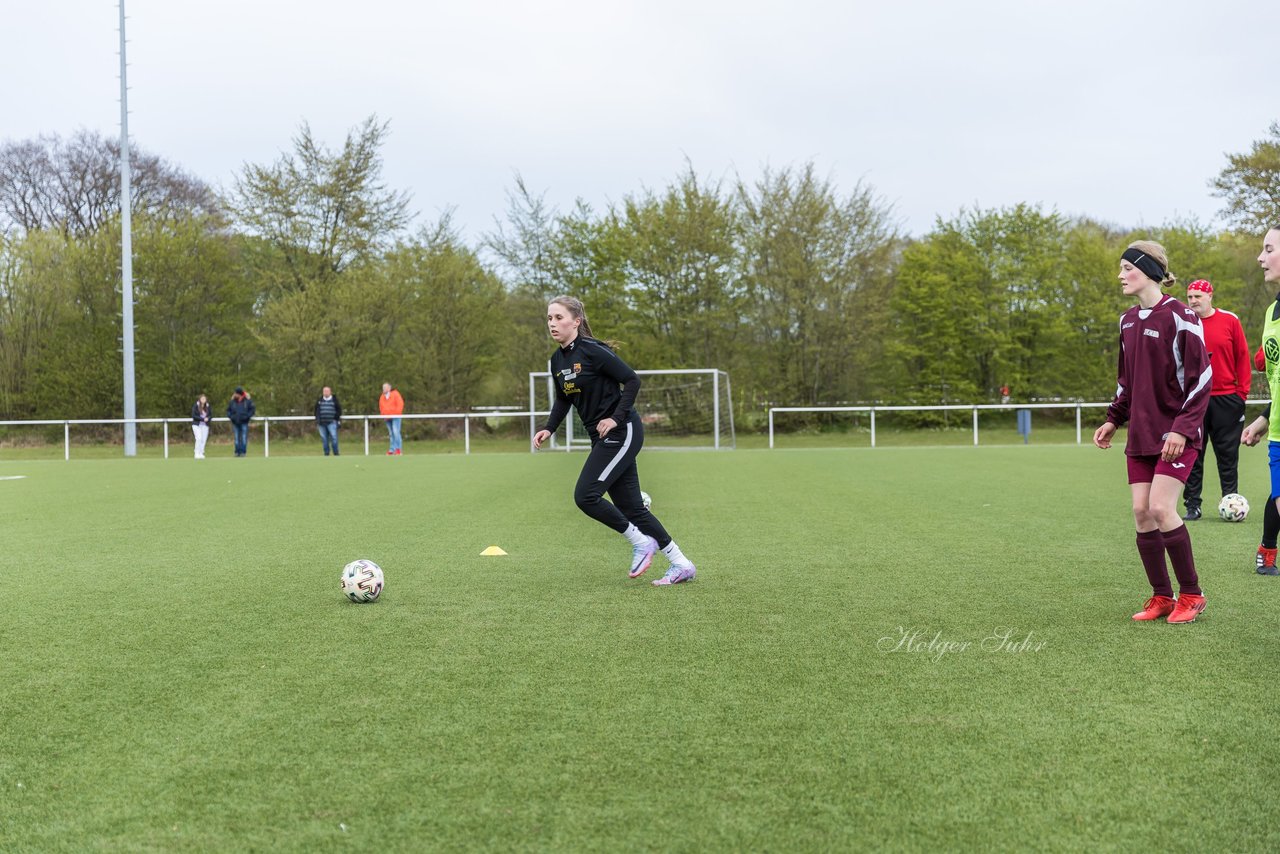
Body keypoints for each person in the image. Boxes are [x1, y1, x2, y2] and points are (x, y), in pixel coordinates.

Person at [532, 295, 698, 586]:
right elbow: (563, 398)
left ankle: (642, 543)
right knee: (632, 507)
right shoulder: (557, 360)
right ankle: (681, 564)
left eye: (559, 317)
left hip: (623, 431)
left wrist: (615, 418)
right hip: (602, 438)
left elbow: (632, 380)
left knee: (586, 495)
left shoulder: (593, 351)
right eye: (549, 318)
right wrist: (549, 427)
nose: (552, 323)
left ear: (576, 321)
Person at [1093, 241, 1211, 623]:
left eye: (1128, 267)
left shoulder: (1181, 316)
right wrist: (1113, 419)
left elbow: (1202, 379)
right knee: (1142, 514)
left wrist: (1182, 428)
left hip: (1176, 435)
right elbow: (1126, 382)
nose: (1121, 275)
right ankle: (1161, 596)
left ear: (1149, 272)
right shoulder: (1127, 321)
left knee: (1162, 508)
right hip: (1140, 435)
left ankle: (1191, 594)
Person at [1180, 280, 1251, 520]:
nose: (1193, 300)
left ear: (1210, 296)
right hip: (1194, 401)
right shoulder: (1184, 322)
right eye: (1190, 296)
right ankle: (1193, 505)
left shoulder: (1230, 320)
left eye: (1198, 296)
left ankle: (1231, 503)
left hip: (1227, 400)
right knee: (1193, 455)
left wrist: (1241, 394)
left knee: (1228, 456)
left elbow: (1242, 357)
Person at [1239, 225, 1280, 575]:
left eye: (1268, 249)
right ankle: (1267, 549)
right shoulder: (1270, 314)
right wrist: (1262, 420)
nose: (1260, 257)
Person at [226, 386, 255, 457]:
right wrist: (231, 417)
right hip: (235, 422)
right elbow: (228, 410)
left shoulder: (248, 401)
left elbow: (252, 410)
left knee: (244, 437)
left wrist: (247, 417)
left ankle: (243, 452)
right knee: (236, 438)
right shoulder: (232, 402)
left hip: (244, 422)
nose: (235, 394)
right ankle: (237, 452)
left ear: (240, 394)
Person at [315, 386, 342, 456]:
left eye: (327, 391)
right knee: (324, 439)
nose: (326, 393)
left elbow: (339, 410)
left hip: (332, 423)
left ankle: (336, 453)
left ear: (330, 392)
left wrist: (335, 419)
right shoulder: (319, 401)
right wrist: (318, 419)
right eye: (324, 391)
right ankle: (326, 454)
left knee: (334, 438)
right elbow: (316, 411)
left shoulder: (334, 400)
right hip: (321, 423)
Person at [379, 382, 404, 455]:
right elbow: (381, 407)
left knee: (396, 432)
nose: (384, 389)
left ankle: (398, 449)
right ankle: (392, 449)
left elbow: (400, 404)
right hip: (387, 418)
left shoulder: (396, 394)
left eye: (385, 387)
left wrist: (395, 414)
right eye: (383, 387)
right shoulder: (382, 397)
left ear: (389, 388)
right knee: (391, 433)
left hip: (395, 417)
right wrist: (383, 415)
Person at [191, 394, 211, 459]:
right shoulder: (195, 406)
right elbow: (194, 415)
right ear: (199, 399)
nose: (203, 400)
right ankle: (196, 453)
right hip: (197, 425)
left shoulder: (207, 406)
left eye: (204, 399)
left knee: (203, 440)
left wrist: (208, 418)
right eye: (202, 399)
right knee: (198, 438)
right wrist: (202, 419)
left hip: (205, 426)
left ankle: (201, 452)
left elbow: (210, 414)